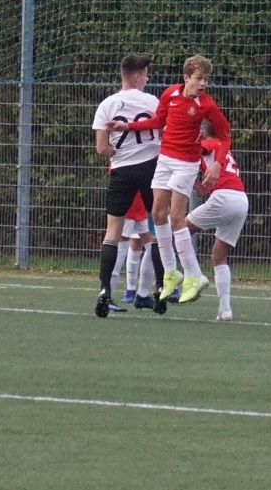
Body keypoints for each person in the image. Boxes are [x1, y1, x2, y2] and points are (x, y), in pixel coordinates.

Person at [108, 54, 232, 305]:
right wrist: (128, 127)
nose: (203, 83)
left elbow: (225, 136)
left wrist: (217, 164)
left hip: (186, 163)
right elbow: (158, 121)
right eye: (199, 78)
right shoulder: (170, 94)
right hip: (165, 160)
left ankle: (194, 275)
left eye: (206, 79)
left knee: (176, 217)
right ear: (186, 77)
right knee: (157, 214)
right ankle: (171, 273)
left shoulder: (206, 105)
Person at [91, 54, 162, 318]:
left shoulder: (107, 105)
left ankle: (104, 290)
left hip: (121, 171)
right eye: (145, 74)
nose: (147, 79)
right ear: (137, 76)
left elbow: (101, 149)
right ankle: (161, 287)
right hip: (150, 170)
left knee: (113, 232)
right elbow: (164, 135)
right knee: (158, 230)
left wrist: (119, 153)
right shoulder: (153, 102)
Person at [185, 121, 249, 321]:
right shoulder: (223, 149)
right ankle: (225, 309)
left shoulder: (211, 143)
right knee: (219, 255)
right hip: (240, 200)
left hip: (224, 197)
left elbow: (194, 150)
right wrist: (193, 182)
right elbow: (204, 188)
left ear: (203, 131)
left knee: (179, 231)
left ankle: (195, 276)